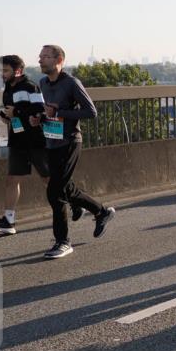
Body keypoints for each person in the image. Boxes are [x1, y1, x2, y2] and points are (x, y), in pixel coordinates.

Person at [36, 44, 115, 259]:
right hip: (51, 141)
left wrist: (60, 113)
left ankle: (63, 241)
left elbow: (91, 112)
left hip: (70, 142)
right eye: (40, 56)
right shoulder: (42, 83)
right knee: (66, 189)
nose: (40, 59)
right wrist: (40, 118)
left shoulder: (71, 83)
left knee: (55, 192)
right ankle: (102, 211)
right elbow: (47, 113)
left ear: (59, 60)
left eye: (45, 56)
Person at [0, 55, 50, 235]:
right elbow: (13, 113)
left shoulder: (30, 86)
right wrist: (6, 117)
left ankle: (75, 204)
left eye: (6, 70)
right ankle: (9, 221)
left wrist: (18, 111)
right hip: (17, 140)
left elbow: (40, 110)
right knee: (12, 180)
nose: (2, 74)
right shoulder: (7, 89)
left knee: (47, 179)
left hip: (35, 140)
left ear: (18, 71)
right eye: (1, 70)